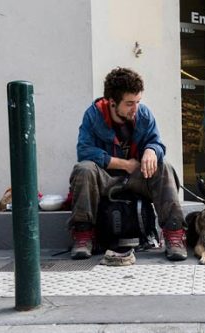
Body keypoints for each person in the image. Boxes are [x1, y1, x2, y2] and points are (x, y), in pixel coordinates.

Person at [67, 67, 187, 261]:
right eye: (130, 103)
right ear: (112, 102)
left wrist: (151, 151)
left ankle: (174, 234)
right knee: (84, 169)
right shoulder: (93, 115)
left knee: (165, 167)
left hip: (139, 178)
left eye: (138, 102)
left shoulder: (144, 115)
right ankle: (83, 236)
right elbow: (84, 151)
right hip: (106, 178)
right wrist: (124, 164)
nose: (136, 108)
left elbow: (157, 143)